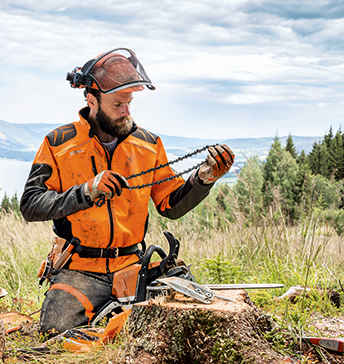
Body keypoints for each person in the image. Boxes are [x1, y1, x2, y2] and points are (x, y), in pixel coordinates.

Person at [19, 48, 235, 335]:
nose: (127, 111)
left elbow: (170, 205)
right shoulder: (59, 143)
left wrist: (203, 179)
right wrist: (85, 191)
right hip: (79, 270)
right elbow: (31, 205)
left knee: (179, 324)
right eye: (118, 103)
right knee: (55, 335)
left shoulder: (148, 144)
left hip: (133, 267)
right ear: (92, 100)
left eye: (129, 102)